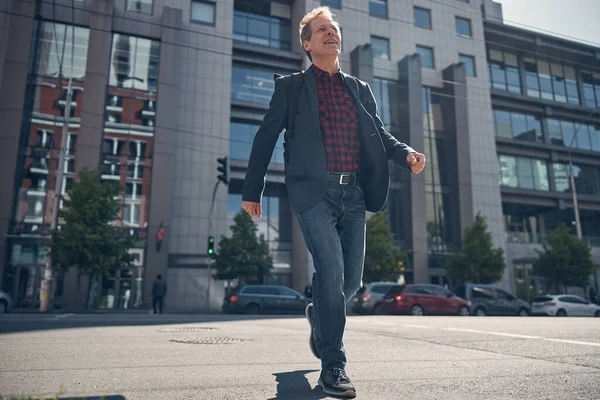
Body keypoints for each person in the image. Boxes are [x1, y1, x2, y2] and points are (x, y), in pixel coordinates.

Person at [241, 6, 425, 398]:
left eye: (334, 29)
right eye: (322, 30)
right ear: (307, 44)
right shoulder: (291, 87)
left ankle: (320, 318)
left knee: (351, 280)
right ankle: (334, 367)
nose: (331, 34)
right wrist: (250, 191)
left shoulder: (359, 89)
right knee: (332, 268)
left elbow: (379, 134)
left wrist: (406, 152)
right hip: (314, 193)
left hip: (354, 193)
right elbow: (264, 137)